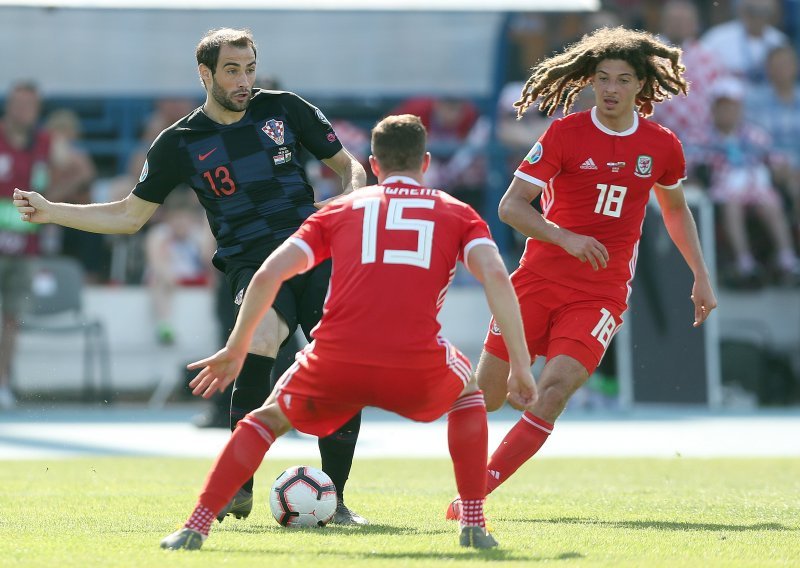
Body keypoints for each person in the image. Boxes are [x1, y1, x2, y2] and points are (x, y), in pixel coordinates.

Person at [13, 28, 369, 524]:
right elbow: (129, 216)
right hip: (253, 260)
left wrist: (350, 197)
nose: (245, 80)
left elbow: (349, 165)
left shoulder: (285, 108)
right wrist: (53, 212)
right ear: (205, 74)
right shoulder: (181, 142)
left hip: (316, 247)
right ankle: (239, 487)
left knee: (341, 361)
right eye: (232, 70)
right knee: (261, 340)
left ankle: (337, 499)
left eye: (249, 69)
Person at [159, 114, 537, 551]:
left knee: (263, 421)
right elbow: (496, 278)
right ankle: (473, 523)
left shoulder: (339, 210)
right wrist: (522, 365)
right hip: (415, 363)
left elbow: (266, 275)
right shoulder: (457, 213)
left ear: (373, 165)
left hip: (337, 358)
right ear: (426, 162)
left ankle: (196, 526)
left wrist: (236, 347)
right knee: (468, 395)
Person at [445, 26, 718, 520]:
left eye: (622, 79)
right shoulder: (565, 133)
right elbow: (510, 207)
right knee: (486, 398)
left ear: (641, 85)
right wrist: (565, 237)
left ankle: (478, 491)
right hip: (536, 281)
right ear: (590, 81)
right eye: (602, 78)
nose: (610, 88)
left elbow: (676, 211)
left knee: (552, 392)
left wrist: (700, 273)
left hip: (600, 293)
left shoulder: (662, 145)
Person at [691, 77, 800, 287]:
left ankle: (786, 258)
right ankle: (744, 262)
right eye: (722, 107)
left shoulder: (754, 135)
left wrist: (781, 169)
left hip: (755, 185)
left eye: (732, 107)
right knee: (732, 206)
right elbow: (690, 164)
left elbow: (774, 158)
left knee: (771, 204)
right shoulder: (702, 136)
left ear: (740, 109)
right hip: (724, 187)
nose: (727, 113)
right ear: (713, 109)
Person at [0, 81, 53, 410]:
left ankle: (3, 383)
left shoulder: (44, 142)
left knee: (11, 320)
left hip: (25, 249)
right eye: (19, 104)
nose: (25, 112)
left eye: (30, 106)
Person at [700, 0, 788, 85]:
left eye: (764, 11)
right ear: (741, 10)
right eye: (752, 10)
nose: (758, 16)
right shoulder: (717, 37)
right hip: (728, 97)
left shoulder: (779, 41)